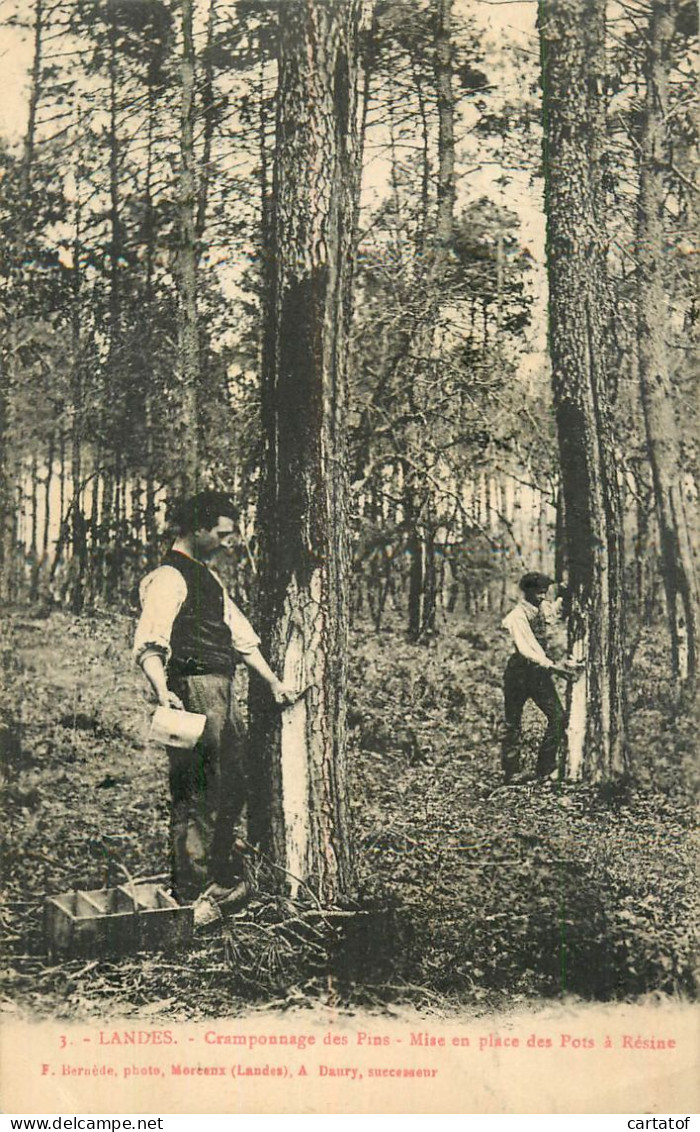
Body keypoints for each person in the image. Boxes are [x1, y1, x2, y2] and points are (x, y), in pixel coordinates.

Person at [133, 490, 296, 920]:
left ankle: (217, 873)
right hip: (193, 691)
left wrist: (274, 683)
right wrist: (161, 688)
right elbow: (151, 642)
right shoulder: (168, 578)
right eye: (223, 533)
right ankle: (192, 889)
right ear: (199, 528)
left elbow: (240, 637)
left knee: (232, 782)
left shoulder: (208, 579)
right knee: (199, 788)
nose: (230, 541)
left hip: (221, 690)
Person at [500, 572, 578, 785]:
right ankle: (511, 772)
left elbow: (554, 613)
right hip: (519, 673)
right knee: (513, 722)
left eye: (545, 591)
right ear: (527, 592)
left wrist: (565, 595)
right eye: (538, 592)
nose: (543, 596)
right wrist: (555, 668)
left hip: (538, 675)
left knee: (558, 716)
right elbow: (527, 650)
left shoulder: (541, 608)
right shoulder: (517, 616)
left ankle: (544, 768)